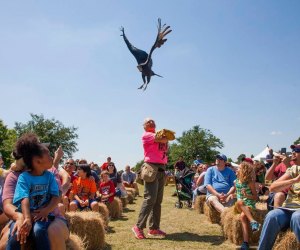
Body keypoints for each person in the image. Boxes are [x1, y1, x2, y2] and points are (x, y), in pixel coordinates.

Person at [3, 133, 69, 250]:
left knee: (52, 232)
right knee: (11, 237)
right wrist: (20, 217)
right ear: (35, 159)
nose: (49, 154)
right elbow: (8, 205)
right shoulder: (15, 176)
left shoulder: (49, 172)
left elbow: (57, 195)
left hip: (49, 217)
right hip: (23, 216)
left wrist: (44, 211)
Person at [132, 118, 170, 239]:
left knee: (157, 201)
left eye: (153, 121)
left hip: (161, 168)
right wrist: (167, 137)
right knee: (150, 199)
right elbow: (162, 139)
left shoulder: (157, 135)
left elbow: (165, 147)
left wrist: (166, 138)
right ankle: (138, 226)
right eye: (148, 121)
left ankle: (154, 228)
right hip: (151, 167)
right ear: (144, 126)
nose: (151, 122)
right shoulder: (147, 135)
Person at [258, 144, 300, 250]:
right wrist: (294, 180)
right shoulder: (294, 169)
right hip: (288, 209)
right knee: (272, 215)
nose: (293, 152)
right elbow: (272, 187)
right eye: (293, 150)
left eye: (297, 150)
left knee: (297, 217)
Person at [233, 162, 260, 250]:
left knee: (243, 217)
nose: (237, 169)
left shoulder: (250, 182)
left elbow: (256, 197)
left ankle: (245, 243)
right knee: (240, 202)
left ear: (244, 170)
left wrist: (247, 195)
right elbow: (237, 194)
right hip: (239, 205)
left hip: (249, 204)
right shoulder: (235, 182)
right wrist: (232, 195)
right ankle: (253, 221)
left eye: (239, 168)